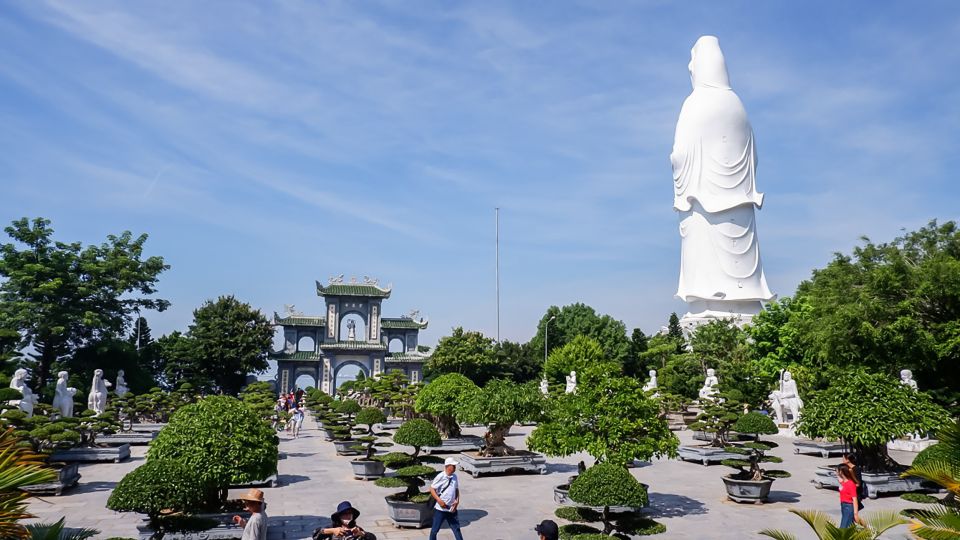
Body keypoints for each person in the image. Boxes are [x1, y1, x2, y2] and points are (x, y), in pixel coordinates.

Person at [429, 457, 463, 540]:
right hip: (441, 509)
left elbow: (456, 489)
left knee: (456, 529)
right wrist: (439, 500)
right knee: (434, 530)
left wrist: (457, 501)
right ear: (447, 466)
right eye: (453, 466)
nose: (455, 468)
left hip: (451, 508)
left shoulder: (454, 477)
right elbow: (432, 489)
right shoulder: (440, 476)